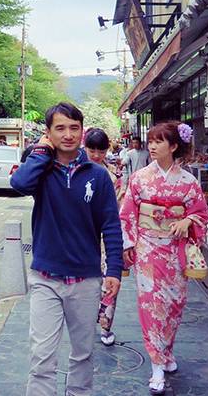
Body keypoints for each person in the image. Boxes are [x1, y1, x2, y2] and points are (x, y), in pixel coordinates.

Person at [10, 102, 123, 396]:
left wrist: (114, 270)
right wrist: (41, 151)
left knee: (83, 354)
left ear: (82, 131)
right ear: (48, 133)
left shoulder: (98, 175)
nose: (68, 135)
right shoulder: (41, 171)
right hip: (45, 278)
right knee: (42, 357)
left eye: (74, 128)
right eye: (60, 128)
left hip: (85, 279)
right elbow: (19, 183)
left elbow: (111, 224)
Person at [119, 122, 208, 395]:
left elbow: (201, 213)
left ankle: (166, 352)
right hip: (147, 248)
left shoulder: (188, 182)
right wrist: (128, 244)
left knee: (173, 304)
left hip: (174, 251)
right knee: (151, 305)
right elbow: (127, 213)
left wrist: (188, 221)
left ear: (173, 146)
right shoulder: (139, 178)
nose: (152, 145)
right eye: (151, 141)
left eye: (159, 141)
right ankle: (157, 365)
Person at [84, 127, 121, 348]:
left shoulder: (114, 174)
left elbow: (118, 211)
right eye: (92, 150)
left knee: (110, 282)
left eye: (101, 151)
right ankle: (86, 324)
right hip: (83, 236)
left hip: (107, 235)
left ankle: (106, 326)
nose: (97, 155)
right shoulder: (75, 170)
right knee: (86, 284)